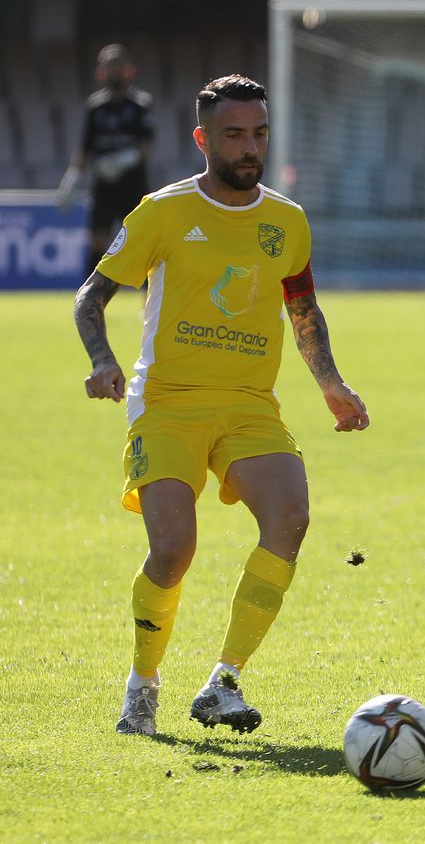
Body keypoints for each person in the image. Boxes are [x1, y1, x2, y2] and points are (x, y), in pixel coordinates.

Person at [75, 75, 370, 737]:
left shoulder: (287, 221)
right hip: (169, 403)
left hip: (248, 404)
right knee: (174, 550)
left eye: (259, 133)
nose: (249, 147)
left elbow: (302, 306)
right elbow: (90, 296)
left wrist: (329, 381)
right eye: (234, 134)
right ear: (203, 138)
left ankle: (223, 680)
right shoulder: (162, 212)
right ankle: (143, 683)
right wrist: (102, 359)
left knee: (291, 515)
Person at [58, 44, 154, 279]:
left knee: (141, 244)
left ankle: (149, 303)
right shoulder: (95, 107)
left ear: (128, 70)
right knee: (97, 242)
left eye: (117, 66)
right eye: (108, 67)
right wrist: (72, 177)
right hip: (103, 186)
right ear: (100, 72)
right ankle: (89, 300)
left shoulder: (140, 105)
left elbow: (146, 145)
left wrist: (123, 160)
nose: (113, 72)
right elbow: (86, 147)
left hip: (132, 184)